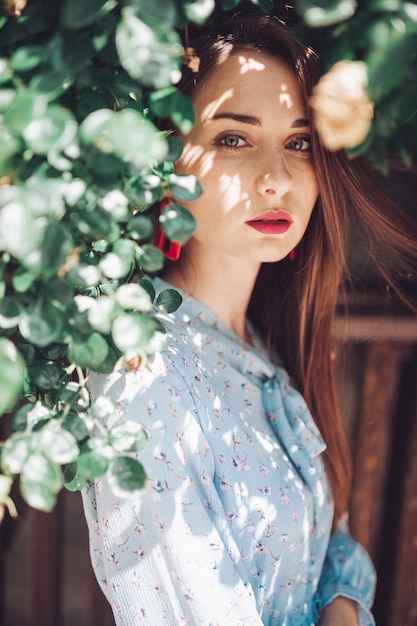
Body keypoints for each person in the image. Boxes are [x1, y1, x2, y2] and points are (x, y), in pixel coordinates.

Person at [81, 12, 417, 626]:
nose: (277, 179)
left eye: (299, 142)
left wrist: (340, 607)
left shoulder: (263, 343)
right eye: (233, 138)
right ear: (164, 165)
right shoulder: (145, 368)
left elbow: (327, 538)